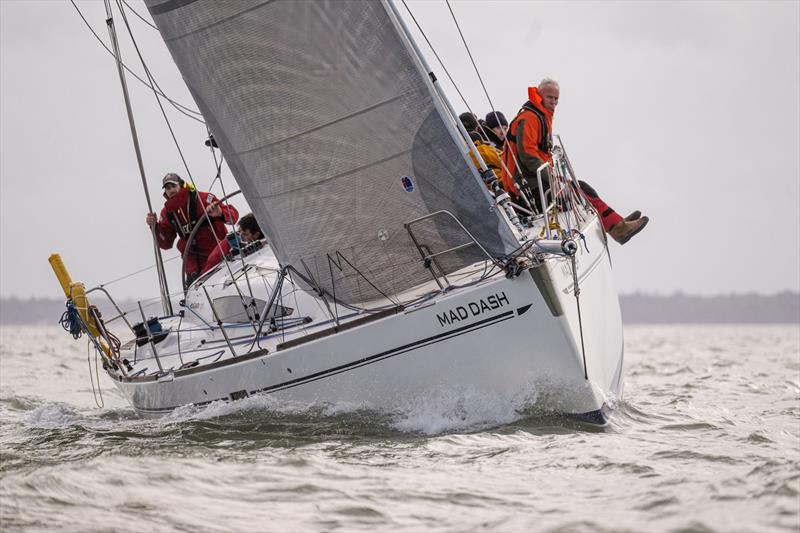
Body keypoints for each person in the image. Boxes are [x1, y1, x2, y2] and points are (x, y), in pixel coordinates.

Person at [501, 78, 648, 244]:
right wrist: (551, 178)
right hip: (529, 189)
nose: (553, 102)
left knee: (582, 188)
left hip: (535, 182)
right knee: (581, 191)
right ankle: (618, 228)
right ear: (540, 96)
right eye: (550, 97)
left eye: (556, 98)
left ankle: (617, 222)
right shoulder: (530, 118)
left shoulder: (539, 115)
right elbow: (528, 155)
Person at [145, 173, 239, 286]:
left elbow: (233, 217)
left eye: (173, 186)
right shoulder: (167, 213)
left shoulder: (203, 199)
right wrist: (155, 227)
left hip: (220, 260)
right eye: (168, 188)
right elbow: (165, 243)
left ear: (181, 185)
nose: (171, 190)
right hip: (194, 271)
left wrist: (220, 213)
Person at [459, 112, 504, 181]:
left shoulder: (456, 152)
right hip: (500, 182)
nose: (502, 132)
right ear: (477, 128)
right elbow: (506, 163)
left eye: (505, 128)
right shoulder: (482, 149)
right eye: (498, 128)